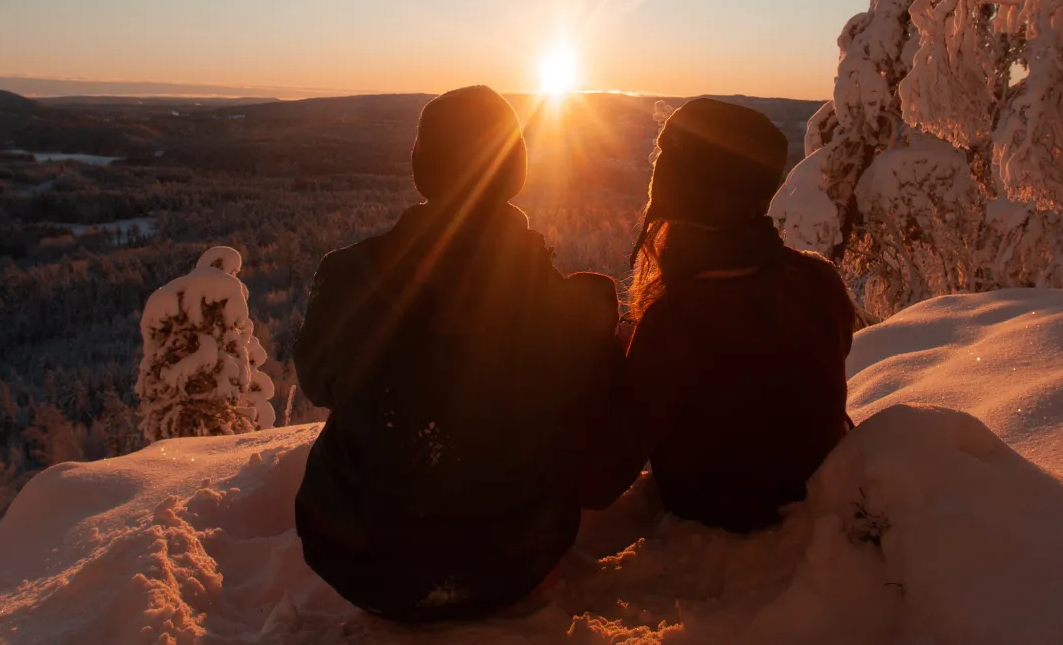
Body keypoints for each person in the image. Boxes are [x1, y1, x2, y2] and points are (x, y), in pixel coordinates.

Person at [292, 85, 621, 623]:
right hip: (518, 563)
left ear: (423, 166)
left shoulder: (349, 277)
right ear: (515, 170)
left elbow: (318, 382)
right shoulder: (558, 302)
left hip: (359, 562)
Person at [576, 98, 857, 533]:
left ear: (673, 195)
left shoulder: (678, 319)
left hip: (715, 516)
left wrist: (601, 363)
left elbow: (597, 482)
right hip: (808, 504)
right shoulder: (818, 281)